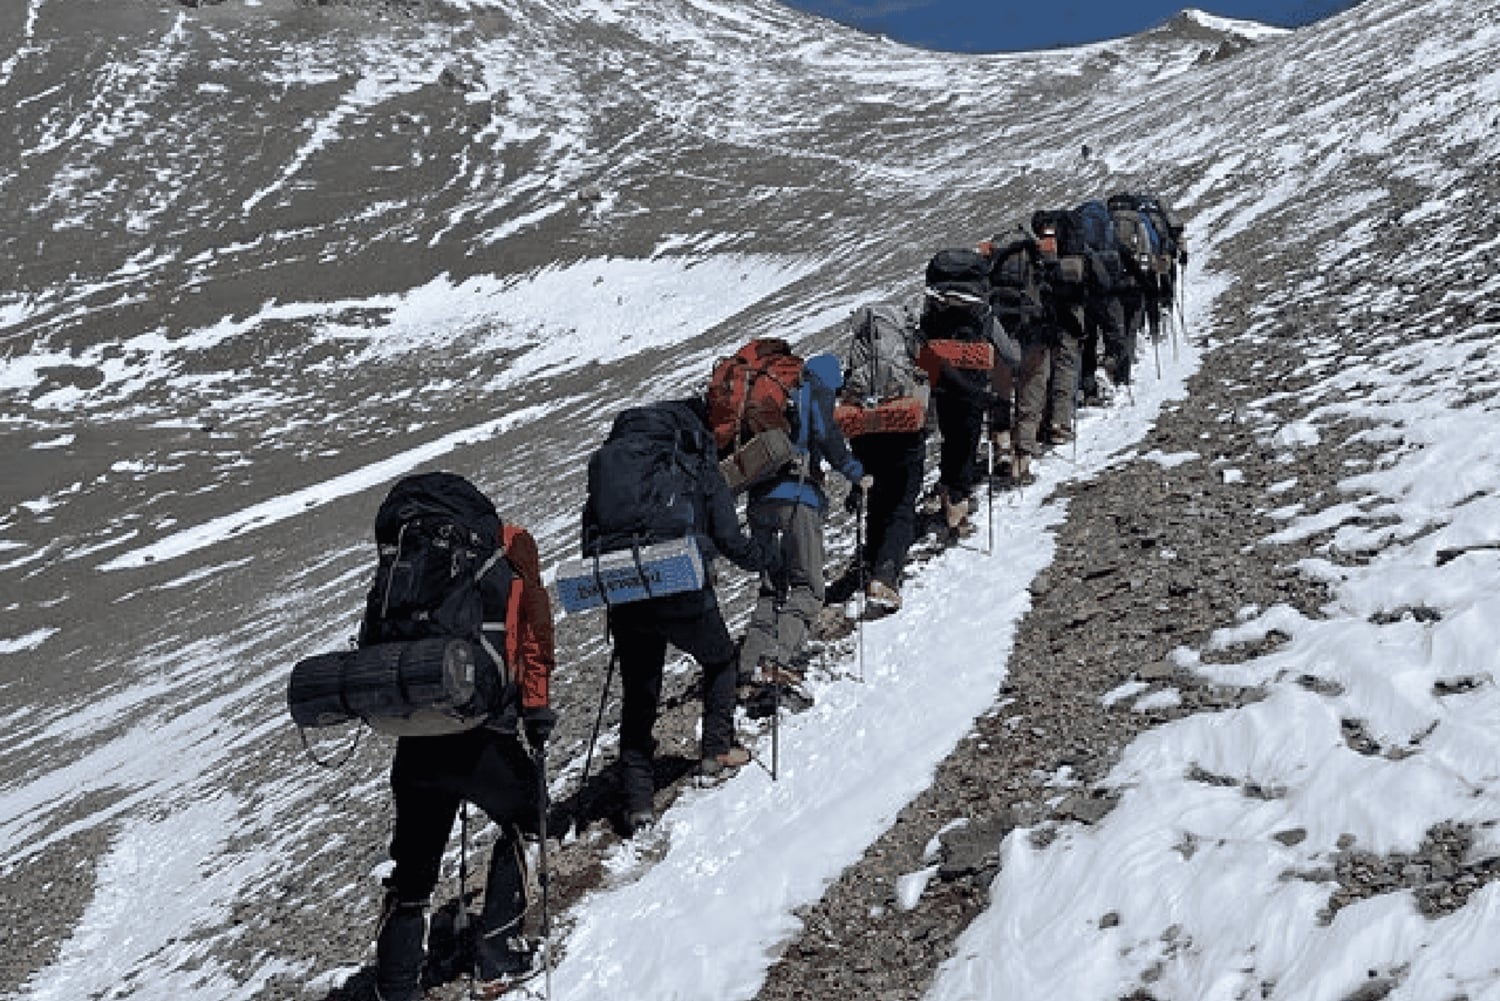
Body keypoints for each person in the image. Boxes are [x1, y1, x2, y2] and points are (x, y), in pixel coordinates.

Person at [374, 522, 556, 1001]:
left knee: (412, 871)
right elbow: (534, 639)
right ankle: (497, 955)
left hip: (416, 741)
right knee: (528, 818)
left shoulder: (412, 558)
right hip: (482, 739)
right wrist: (537, 713)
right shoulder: (512, 549)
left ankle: (395, 988)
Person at [585, 398, 780, 835]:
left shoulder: (607, 468)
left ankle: (637, 802)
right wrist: (768, 559)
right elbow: (729, 537)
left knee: (639, 695)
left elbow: (590, 541)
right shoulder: (690, 462)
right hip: (681, 584)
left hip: (627, 591)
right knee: (719, 661)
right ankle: (717, 748)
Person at [737, 354, 870, 681]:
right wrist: (856, 474)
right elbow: (827, 437)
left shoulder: (770, 398)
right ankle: (778, 660)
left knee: (771, 589)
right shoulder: (815, 391)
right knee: (807, 587)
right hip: (797, 497)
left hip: (758, 500)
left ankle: (746, 669)